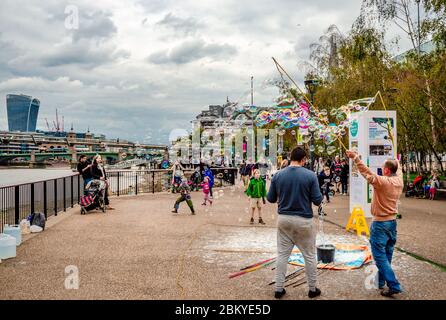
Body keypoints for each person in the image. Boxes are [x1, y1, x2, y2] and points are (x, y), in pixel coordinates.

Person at [267, 147, 323, 299]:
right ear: (303, 159)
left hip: (284, 219)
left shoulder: (278, 175)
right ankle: (312, 289)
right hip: (304, 220)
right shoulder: (311, 176)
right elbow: (318, 200)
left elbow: (270, 198)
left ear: (290, 157)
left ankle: (279, 289)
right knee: (310, 256)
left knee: (282, 255)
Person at [346, 150, 403, 297]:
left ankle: (394, 285)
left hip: (380, 225)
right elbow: (399, 168)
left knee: (379, 257)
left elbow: (366, 172)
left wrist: (355, 158)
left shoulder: (382, 182)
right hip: (392, 223)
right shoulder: (399, 180)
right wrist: (396, 159)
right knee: (387, 254)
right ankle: (380, 282)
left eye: (383, 167)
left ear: (386, 170)